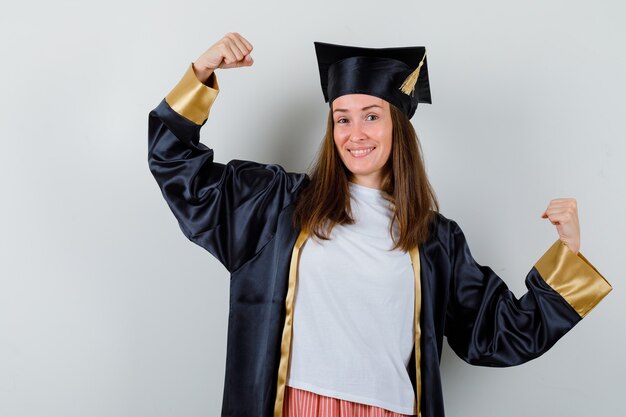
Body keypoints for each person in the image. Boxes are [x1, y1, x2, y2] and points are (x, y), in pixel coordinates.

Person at [147, 32, 612, 417]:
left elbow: (499, 331)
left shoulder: (434, 239)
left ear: (398, 127)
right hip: (294, 404)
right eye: (342, 119)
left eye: (371, 116)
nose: (355, 134)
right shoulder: (275, 204)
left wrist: (567, 258)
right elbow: (177, 169)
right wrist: (200, 74)